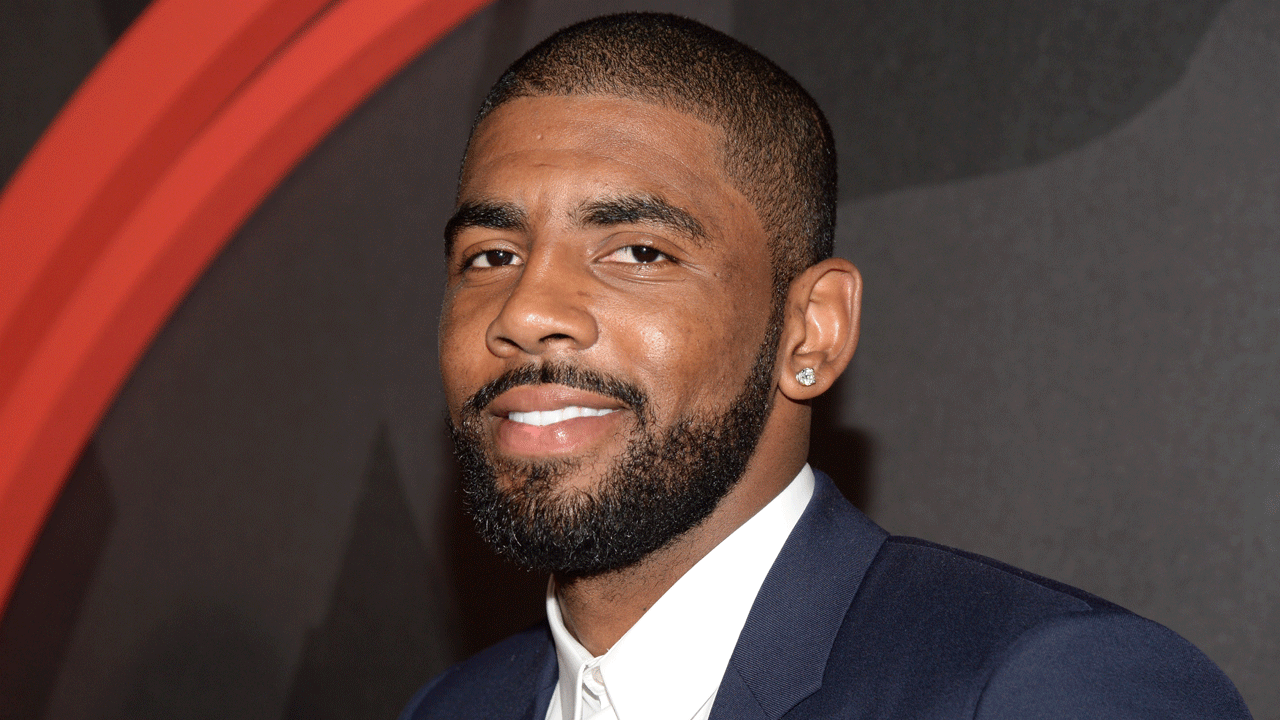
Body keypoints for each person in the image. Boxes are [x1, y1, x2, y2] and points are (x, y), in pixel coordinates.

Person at [401, 12, 1252, 720]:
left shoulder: (1046, 688)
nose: (525, 312)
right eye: (490, 256)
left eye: (638, 251)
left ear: (812, 332)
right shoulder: (452, 708)